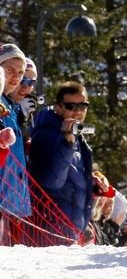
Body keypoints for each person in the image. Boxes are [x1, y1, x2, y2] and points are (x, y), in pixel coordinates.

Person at [29, 80, 95, 241]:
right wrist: (67, 144)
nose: (78, 112)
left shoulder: (76, 136)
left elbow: (74, 179)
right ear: (58, 108)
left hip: (70, 226)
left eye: (82, 106)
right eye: (71, 107)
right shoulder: (48, 135)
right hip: (50, 225)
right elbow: (52, 181)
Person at [0, 43, 31, 225]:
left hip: (13, 204)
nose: (16, 77)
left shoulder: (10, 106)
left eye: (20, 73)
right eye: (9, 70)